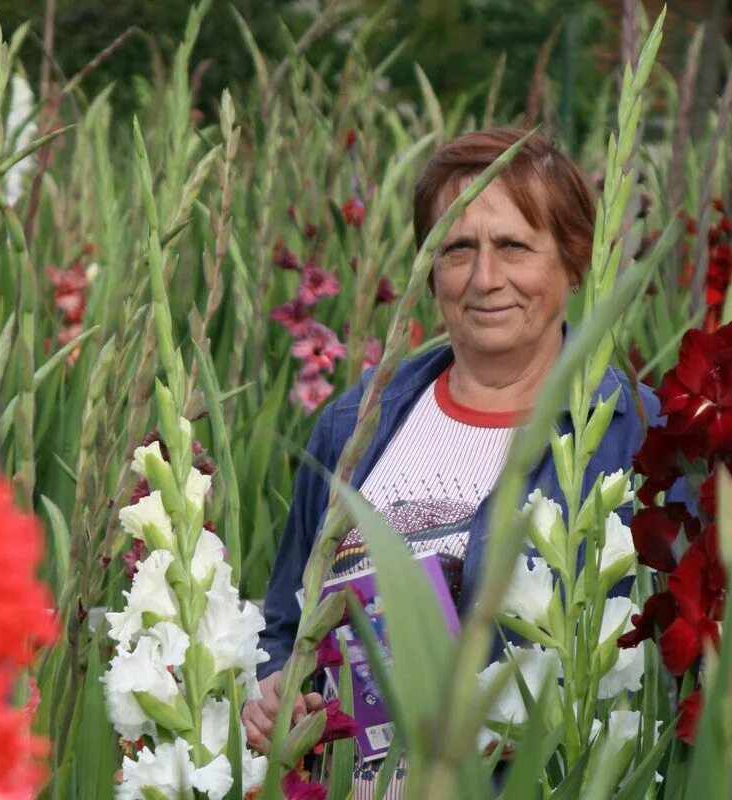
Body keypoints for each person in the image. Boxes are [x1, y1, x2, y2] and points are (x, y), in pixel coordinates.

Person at [242, 128, 662, 792]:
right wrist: (275, 696)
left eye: (514, 247)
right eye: (457, 248)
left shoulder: (638, 437)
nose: (485, 278)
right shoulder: (355, 428)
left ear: (574, 262)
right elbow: (284, 628)